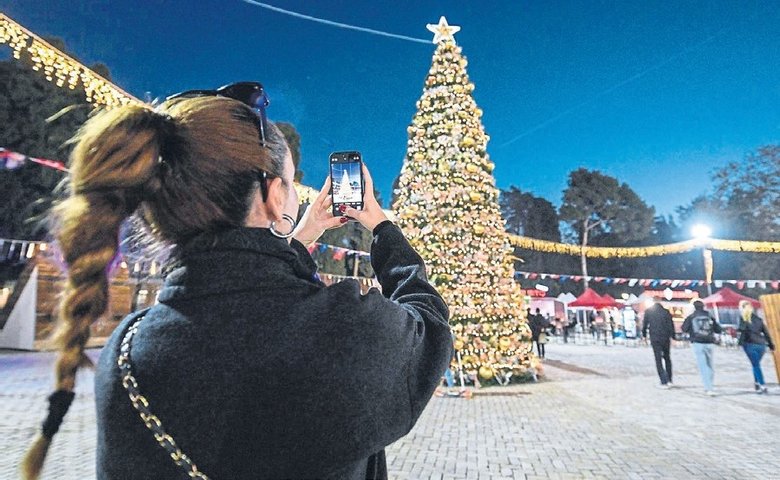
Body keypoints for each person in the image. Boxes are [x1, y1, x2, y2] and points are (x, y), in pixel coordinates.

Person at [21, 83, 452, 480]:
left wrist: (300, 235)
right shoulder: (344, 331)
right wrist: (379, 223)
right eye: (289, 182)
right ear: (271, 194)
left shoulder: (127, 351)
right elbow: (429, 326)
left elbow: (245, 284)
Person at [681, 301, 722, 396]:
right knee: (710, 364)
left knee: (703, 365)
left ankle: (708, 388)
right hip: (709, 341)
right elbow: (718, 329)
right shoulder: (709, 316)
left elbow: (684, 328)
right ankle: (710, 384)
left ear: (694, 307)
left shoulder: (691, 317)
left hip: (698, 342)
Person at [737, 300, 775, 394]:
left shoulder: (744, 318)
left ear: (742, 308)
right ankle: (757, 384)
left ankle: (762, 384)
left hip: (750, 344)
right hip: (761, 345)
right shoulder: (759, 319)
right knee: (756, 364)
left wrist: (740, 343)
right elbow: (766, 332)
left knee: (756, 365)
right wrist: (771, 345)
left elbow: (742, 330)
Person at [642, 298, 676, 388]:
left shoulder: (648, 311)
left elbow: (645, 324)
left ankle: (663, 380)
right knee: (667, 358)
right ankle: (669, 379)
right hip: (665, 337)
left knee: (658, 359)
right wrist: (673, 336)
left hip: (655, 337)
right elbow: (670, 325)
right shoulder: (666, 312)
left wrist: (644, 335)